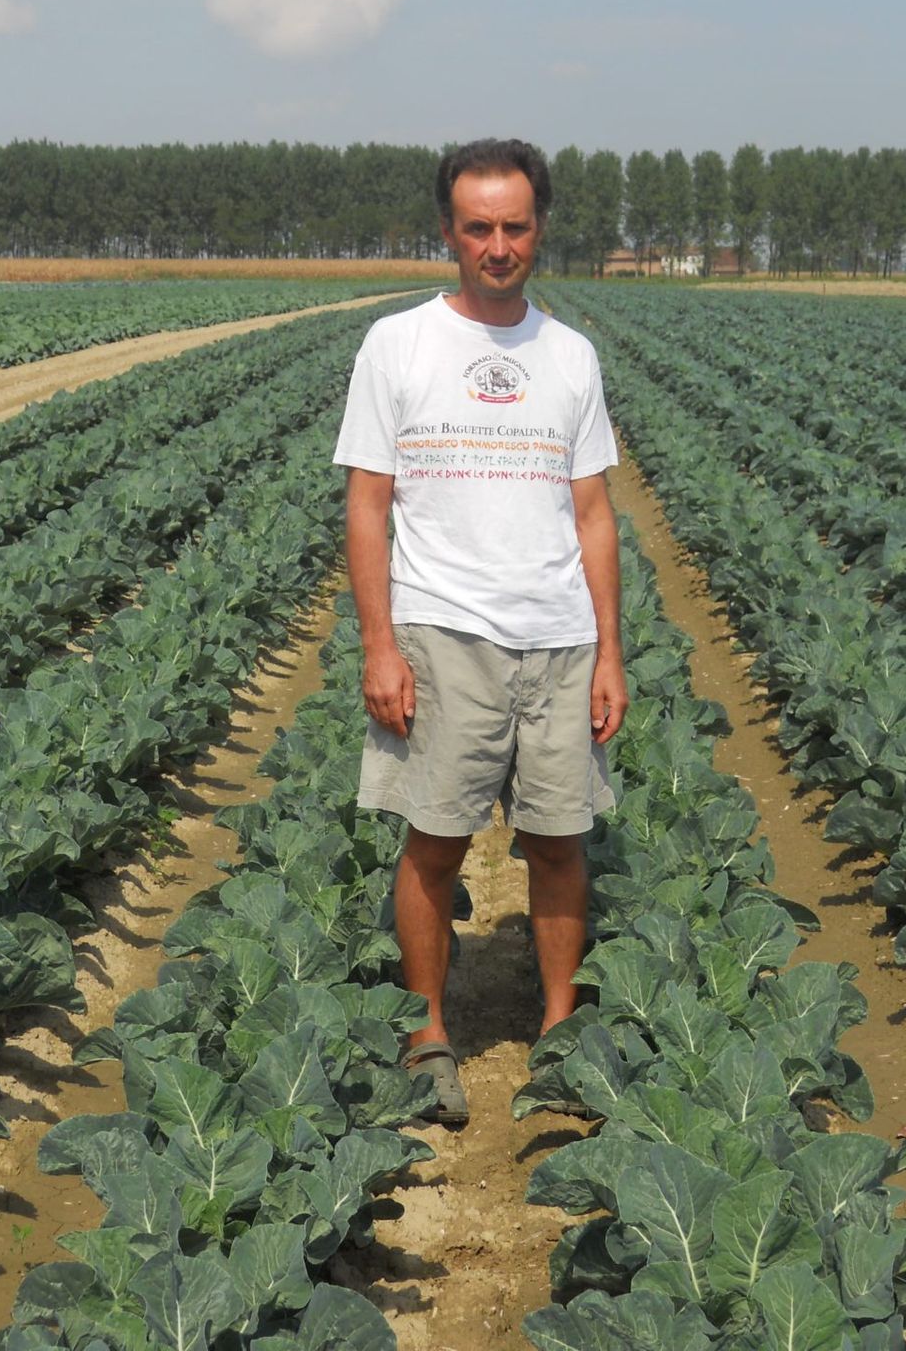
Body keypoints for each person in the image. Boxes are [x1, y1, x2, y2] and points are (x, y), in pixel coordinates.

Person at [331, 138, 627, 1126]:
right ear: (449, 234)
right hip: (441, 631)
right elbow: (368, 503)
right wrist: (379, 645)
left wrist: (610, 652)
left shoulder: (571, 355)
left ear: (538, 229)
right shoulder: (398, 345)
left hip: (556, 636)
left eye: (515, 226)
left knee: (557, 842)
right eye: (478, 228)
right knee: (435, 842)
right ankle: (426, 1033)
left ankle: (557, 1031)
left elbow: (592, 513)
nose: (498, 246)